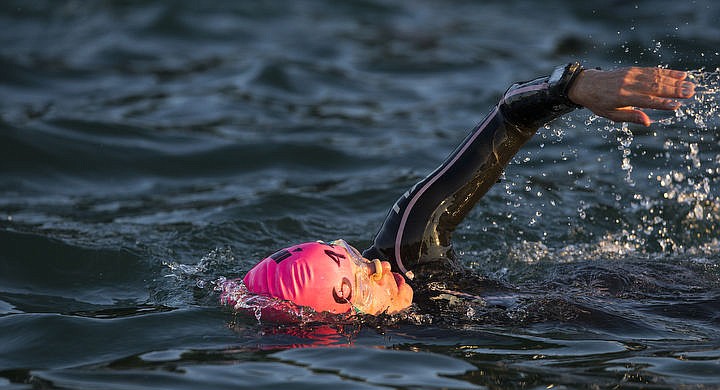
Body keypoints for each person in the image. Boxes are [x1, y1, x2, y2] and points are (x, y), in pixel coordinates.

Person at [222, 63, 696, 317]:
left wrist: (572, 86)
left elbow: (508, 116)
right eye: (363, 276)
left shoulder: (406, 248)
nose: (379, 265)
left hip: (654, 290)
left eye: (357, 255)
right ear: (343, 317)